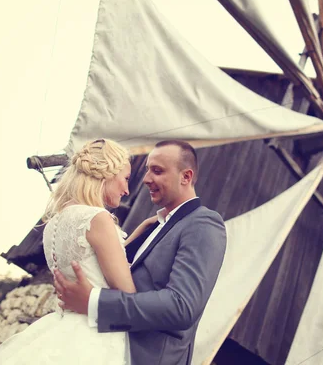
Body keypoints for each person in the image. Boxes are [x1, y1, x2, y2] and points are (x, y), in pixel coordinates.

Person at [54, 140, 227, 365]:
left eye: (157, 171)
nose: (145, 179)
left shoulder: (203, 223)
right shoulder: (151, 226)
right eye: (147, 170)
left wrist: (94, 301)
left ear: (185, 177)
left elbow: (182, 306)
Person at [0, 138, 156, 365]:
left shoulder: (55, 222)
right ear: (106, 174)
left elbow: (94, 260)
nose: (127, 189)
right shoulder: (98, 219)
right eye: (125, 179)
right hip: (93, 336)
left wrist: (142, 228)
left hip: (62, 326)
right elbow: (128, 294)